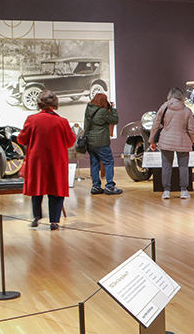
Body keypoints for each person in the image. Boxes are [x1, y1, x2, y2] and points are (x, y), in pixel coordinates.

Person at [17, 90, 76, 230]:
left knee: (37, 189)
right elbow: (70, 141)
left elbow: (21, 139)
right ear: (55, 104)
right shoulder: (62, 122)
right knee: (56, 190)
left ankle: (36, 217)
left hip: (37, 161)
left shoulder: (31, 119)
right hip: (57, 160)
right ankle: (54, 221)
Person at [150, 87, 194, 200]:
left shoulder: (164, 107)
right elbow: (191, 129)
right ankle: (184, 191)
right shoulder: (187, 110)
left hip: (166, 140)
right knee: (183, 167)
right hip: (183, 140)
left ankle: (166, 191)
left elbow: (155, 124)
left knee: (166, 166)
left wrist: (152, 140)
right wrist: (192, 140)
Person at [83, 92, 122, 195]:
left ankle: (96, 186)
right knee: (109, 163)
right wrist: (113, 108)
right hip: (101, 142)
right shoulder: (103, 111)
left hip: (90, 141)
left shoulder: (88, 109)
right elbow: (115, 120)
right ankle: (109, 186)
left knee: (94, 164)